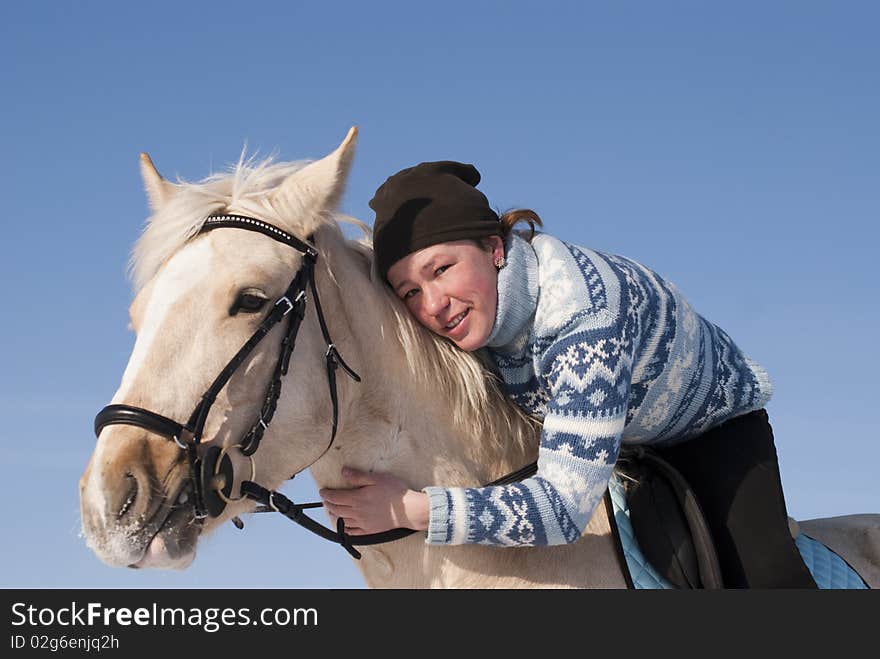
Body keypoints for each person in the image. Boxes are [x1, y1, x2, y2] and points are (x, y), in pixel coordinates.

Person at [319, 160, 816, 588]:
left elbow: (561, 510)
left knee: (766, 583)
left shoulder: (582, 320)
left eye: (441, 269)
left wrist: (409, 510)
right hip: (623, 437)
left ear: (495, 248)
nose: (432, 305)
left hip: (710, 429)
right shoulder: (474, 313)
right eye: (408, 291)